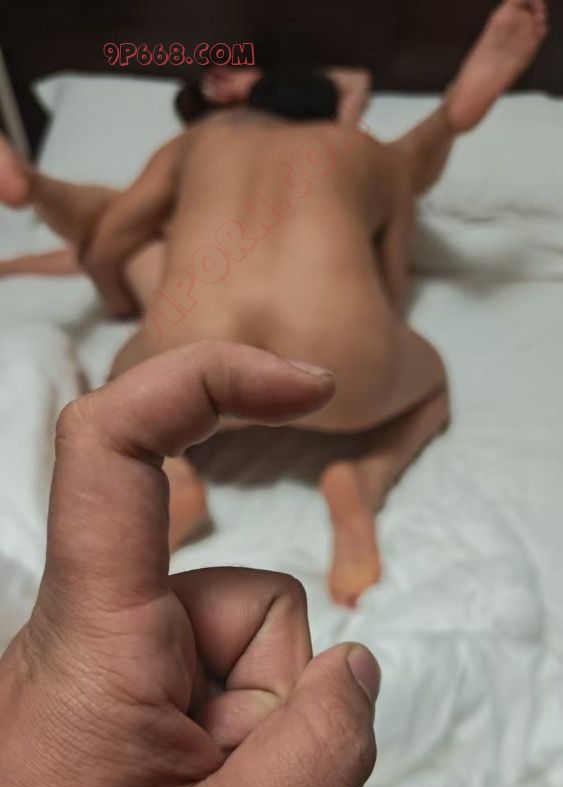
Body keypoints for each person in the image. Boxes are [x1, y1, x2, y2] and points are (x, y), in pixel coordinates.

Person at [0, 0, 548, 606]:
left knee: (120, 390)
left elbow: (110, 237)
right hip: (335, 375)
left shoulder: (194, 142)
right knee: (431, 385)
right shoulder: (365, 151)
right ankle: (362, 480)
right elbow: (392, 289)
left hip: (192, 363)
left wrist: (115, 300)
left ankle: (176, 480)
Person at [0, 341, 380, 787]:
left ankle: (179, 481)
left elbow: (108, 278)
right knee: (427, 397)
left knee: (110, 367)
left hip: (173, 332)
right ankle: (368, 479)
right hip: (331, 341)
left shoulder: (138, 286)